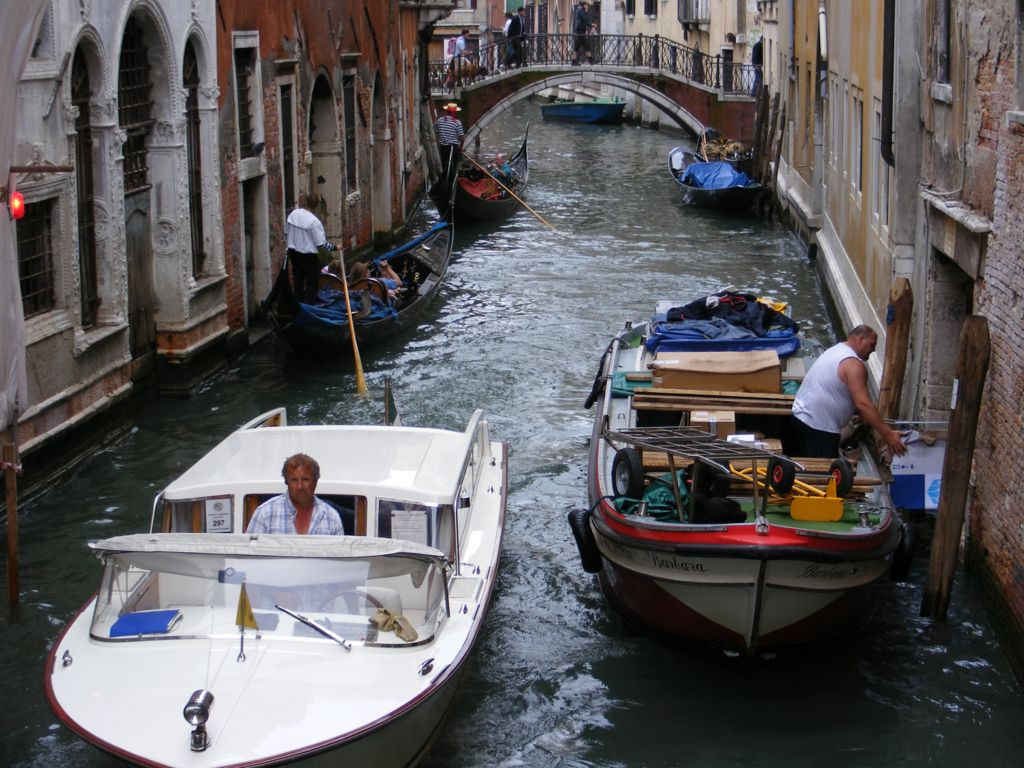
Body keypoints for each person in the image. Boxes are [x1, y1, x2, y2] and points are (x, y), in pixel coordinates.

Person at [791, 325, 908, 459]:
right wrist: (888, 434)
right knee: (824, 475)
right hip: (819, 427)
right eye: (872, 345)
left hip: (800, 417)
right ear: (860, 339)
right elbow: (863, 404)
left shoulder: (837, 349)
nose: (873, 350)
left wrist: (866, 417)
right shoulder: (854, 364)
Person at [246, 453, 344, 535]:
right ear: (286, 482)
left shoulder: (332, 518)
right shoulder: (265, 514)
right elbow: (249, 555)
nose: (300, 487)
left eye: (305, 480)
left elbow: (340, 556)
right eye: (294, 480)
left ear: (315, 481)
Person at [285, 191, 339, 303]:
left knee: (298, 281)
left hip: (293, 254)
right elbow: (321, 244)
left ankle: (298, 305)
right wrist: (336, 248)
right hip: (308, 257)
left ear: (305, 202)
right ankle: (308, 306)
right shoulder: (314, 222)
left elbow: (286, 233)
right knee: (312, 282)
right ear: (316, 206)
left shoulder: (293, 214)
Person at [433, 102, 464, 190]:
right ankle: (453, 185)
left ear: (447, 111)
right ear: (454, 112)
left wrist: (441, 137)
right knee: (453, 166)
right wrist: (460, 149)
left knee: (445, 165)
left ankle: (446, 184)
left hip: (443, 147)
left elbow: (435, 129)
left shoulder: (439, 120)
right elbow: (462, 138)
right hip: (453, 148)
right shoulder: (457, 122)